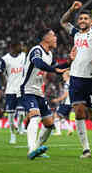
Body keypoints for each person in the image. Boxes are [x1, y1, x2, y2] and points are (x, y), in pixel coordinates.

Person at [60, 1, 92, 158]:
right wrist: (71, 9)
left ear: (91, 21)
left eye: (85, 19)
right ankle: (86, 149)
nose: (82, 21)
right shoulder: (75, 33)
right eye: (80, 19)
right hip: (75, 79)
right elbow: (63, 22)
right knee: (79, 112)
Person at [20, 28, 76, 160]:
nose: (56, 38)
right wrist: (54, 69)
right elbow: (38, 63)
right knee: (34, 117)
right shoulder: (36, 50)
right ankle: (31, 149)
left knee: (50, 124)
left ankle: (37, 148)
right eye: (53, 35)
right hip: (27, 90)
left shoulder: (49, 54)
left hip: (39, 92)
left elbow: (58, 68)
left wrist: (68, 61)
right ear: (45, 38)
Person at [0, 40, 26, 144]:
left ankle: (21, 126)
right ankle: (12, 135)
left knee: (22, 113)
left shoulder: (24, 56)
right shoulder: (5, 59)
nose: (21, 47)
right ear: (13, 47)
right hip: (10, 89)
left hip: (22, 89)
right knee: (11, 116)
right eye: (19, 46)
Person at [52, 70, 74, 136]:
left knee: (56, 115)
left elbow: (66, 94)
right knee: (61, 117)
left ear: (67, 75)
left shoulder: (67, 83)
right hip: (71, 102)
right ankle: (69, 129)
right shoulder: (72, 82)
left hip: (66, 102)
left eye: (63, 75)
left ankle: (58, 132)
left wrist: (58, 99)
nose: (62, 76)